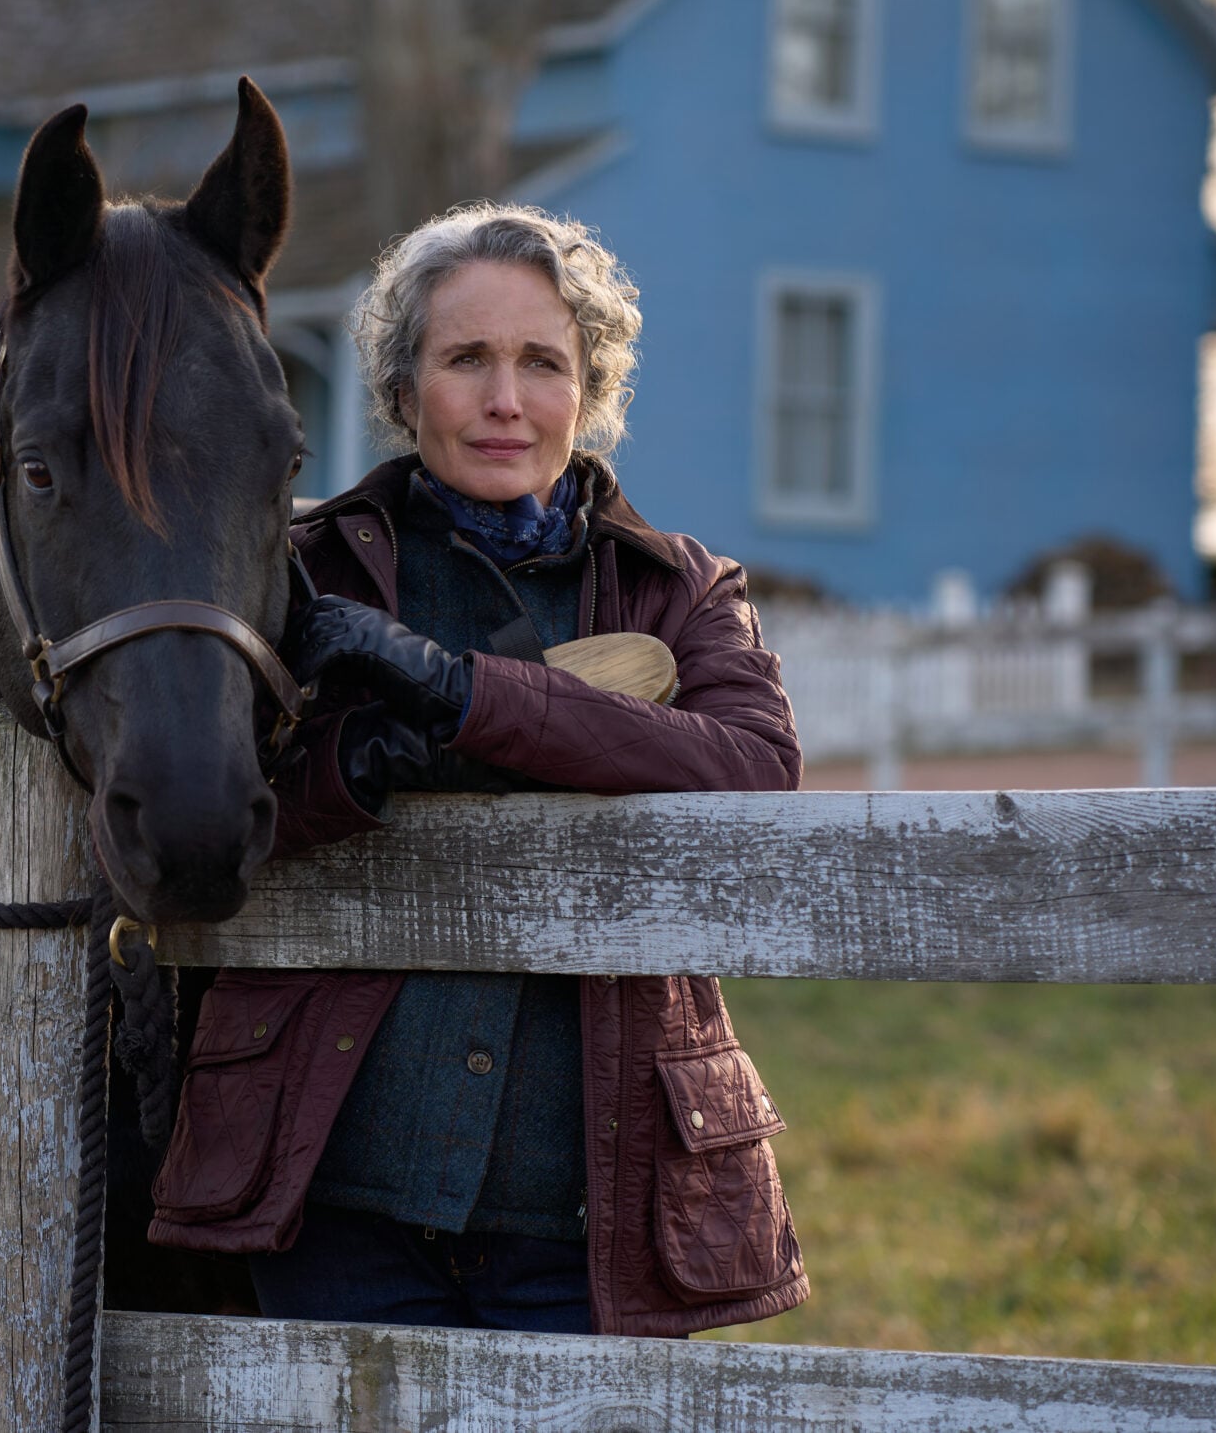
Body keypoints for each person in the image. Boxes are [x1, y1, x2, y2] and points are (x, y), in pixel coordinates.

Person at [145, 202, 811, 1339]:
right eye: (466, 360)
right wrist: (349, 766)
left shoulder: (679, 590)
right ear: (404, 392)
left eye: (542, 363)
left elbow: (750, 773)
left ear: (588, 393)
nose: (506, 401)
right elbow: (219, 808)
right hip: (333, 1187)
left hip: (587, 1199)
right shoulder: (299, 576)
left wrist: (462, 694)